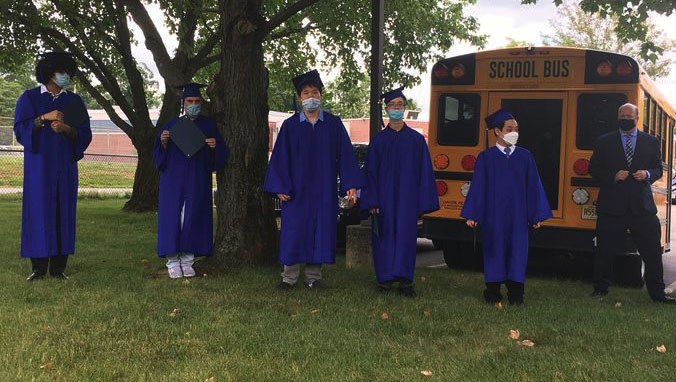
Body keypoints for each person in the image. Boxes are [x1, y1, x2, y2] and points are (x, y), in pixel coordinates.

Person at [263, 69, 363, 290]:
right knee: (294, 231)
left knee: (320, 230)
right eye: (306, 93)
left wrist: (351, 185)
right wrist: (279, 185)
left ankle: (313, 277)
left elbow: (346, 154)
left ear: (321, 95)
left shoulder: (334, 124)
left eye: (315, 92)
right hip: (296, 190)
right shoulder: (290, 126)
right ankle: (288, 277)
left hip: (323, 189)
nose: (311, 97)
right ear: (300, 98)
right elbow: (280, 157)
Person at [13, 51, 92, 281]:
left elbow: (85, 134)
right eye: (61, 71)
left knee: (63, 212)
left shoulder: (74, 102)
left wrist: (67, 129)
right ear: (48, 73)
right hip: (39, 169)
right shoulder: (29, 98)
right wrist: (43, 118)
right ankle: (38, 268)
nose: (65, 76)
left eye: (68, 72)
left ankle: (58, 269)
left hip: (65, 168)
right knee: (38, 212)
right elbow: (20, 130)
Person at [460, 108, 552, 304]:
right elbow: (479, 187)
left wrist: (536, 215)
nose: (514, 132)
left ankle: (516, 295)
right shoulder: (486, 158)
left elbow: (534, 187)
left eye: (516, 128)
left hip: (518, 217)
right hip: (494, 216)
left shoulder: (525, 157)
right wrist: (473, 214)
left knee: (517, 254)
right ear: (497, 131)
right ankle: (493, 293)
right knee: (494, 251)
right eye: (510, 128)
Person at [589, 103, 676, 304]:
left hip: (642, 208)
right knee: (604, 251)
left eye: (629, 115)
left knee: (653, 252)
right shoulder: (604, 142)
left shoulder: (651, 142)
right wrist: (613, 175)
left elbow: (657, 169)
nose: (625, 118)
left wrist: (646, 174)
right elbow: (594, 169)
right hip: (612, 207)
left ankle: (658, 293)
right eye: (621, 115)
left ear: (637, 118)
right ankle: (600, 289)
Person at [360, 87, 439, 297]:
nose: (396, 108)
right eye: (393, 105)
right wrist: (372, 201)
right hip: (384, 200)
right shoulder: (378, 141)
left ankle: (405, 281)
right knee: (383, 238)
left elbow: (424, 172)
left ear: (405, 108)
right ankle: (385, 280)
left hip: (407, 199)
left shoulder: (416, 140)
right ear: (386, 109)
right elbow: (370, 173)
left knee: (405, 238)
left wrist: (422, 202)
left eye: (400, 105)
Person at [152, 82, 229, 279]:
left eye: (196, 101)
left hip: (197, 178)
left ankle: (187, 260)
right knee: (173, 218)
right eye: (189, 101)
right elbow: (158, 156)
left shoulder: (208, 125)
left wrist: (215, 146)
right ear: (183, 103)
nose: (193, 104)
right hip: (173, 179)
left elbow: (220, 156)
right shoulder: (172, 125)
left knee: (192, 216)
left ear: (201, 102)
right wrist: (163, 142)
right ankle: (172, 261)